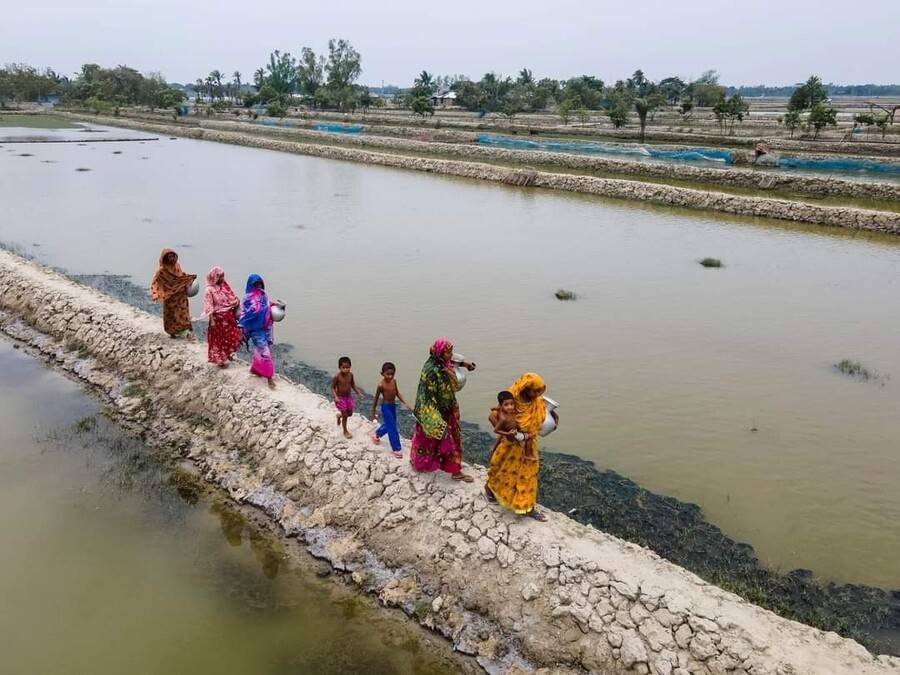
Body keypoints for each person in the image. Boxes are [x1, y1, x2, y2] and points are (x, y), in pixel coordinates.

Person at [485, 373, 556, 521]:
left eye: (540, 392)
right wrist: (505, 436)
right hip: (511, 444)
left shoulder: (536, 403)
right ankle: (490, 488)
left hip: (529, 446)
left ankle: (527, 507)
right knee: (501, 470)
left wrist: (553, 418)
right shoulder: (511, 401)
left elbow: (541, 420)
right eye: (534, 391)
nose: (537, 395)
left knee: (528, 475)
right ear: (525, 388)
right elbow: (495, 417)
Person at [410, 338, 476, 482]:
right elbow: (426, 394)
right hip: (432, 410)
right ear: (439, 353)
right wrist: (434, 418)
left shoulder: (443, 363)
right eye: (447, 352)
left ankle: (455, 471)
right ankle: (419, 463)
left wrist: (466, 365)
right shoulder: (431, 370)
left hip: (449, 408)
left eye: (451, 351)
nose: (450, 355)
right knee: (427, 439)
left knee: (454, 438)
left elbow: (452, 361)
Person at [197, 266, 241, 367]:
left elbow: (231, 297)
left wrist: (236, 302)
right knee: (219, 340)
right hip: (218, 319)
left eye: (223, 276)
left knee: (232, 336)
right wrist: (212, 320)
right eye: (220, 277)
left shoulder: (224, 286)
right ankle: (220, 360)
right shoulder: (209, 290)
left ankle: (228, 354)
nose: (222, 279)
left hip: (229, 317)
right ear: (214, 277)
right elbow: (209, 306)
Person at [238, 274, 276, 388]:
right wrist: (241, 326)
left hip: (266, 328)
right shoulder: (247, 298)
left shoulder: (264, 294)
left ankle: (255, 369)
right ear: (251, 284)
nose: (258, 285)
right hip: (256, 330)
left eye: (260, 283)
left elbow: (267, 304)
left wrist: (274, 305)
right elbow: (245, 313)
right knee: (265, 353)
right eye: (256, 284)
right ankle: (270, 378)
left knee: (262, 350)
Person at [150, 248, 196, 339]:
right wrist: (155, 294)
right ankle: (173, 331)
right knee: (172, 315)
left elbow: (181, 277)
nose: (171, 258)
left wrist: (188, 279)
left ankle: (186, 331)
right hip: (170, 297)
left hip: (181, 295)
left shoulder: (177, 266)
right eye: (169, 257)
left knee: (183, 313)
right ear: (165, 258)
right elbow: (155, 282)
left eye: (172, 256)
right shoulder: (162, 271)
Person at [370, 361, 411, 458]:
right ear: (382, 373)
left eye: (392, 374)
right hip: (386, 407)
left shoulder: (394, 381)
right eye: (388, 374)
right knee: (392, 427)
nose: (390, 376)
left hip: (393, 406)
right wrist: (373, 411)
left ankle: (377, 434)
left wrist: (405, 402)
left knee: (390, 424)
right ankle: (396, 449)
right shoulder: (381, 385)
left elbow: (397, 393)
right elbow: (376, 398)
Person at [332, 356, 363, 439]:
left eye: (347, 367)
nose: (346, 369)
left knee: (350, 413)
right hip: (340, 398)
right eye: (343, 367)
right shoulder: (337, 377)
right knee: (345, 416)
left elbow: (353, 385)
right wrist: (335, 397)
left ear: (350, 367)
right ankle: (345, 431)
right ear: (339, 367)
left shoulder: (351, 375)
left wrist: (358, 392)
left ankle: (339, 416)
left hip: (348, 397)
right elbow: (333, 387)